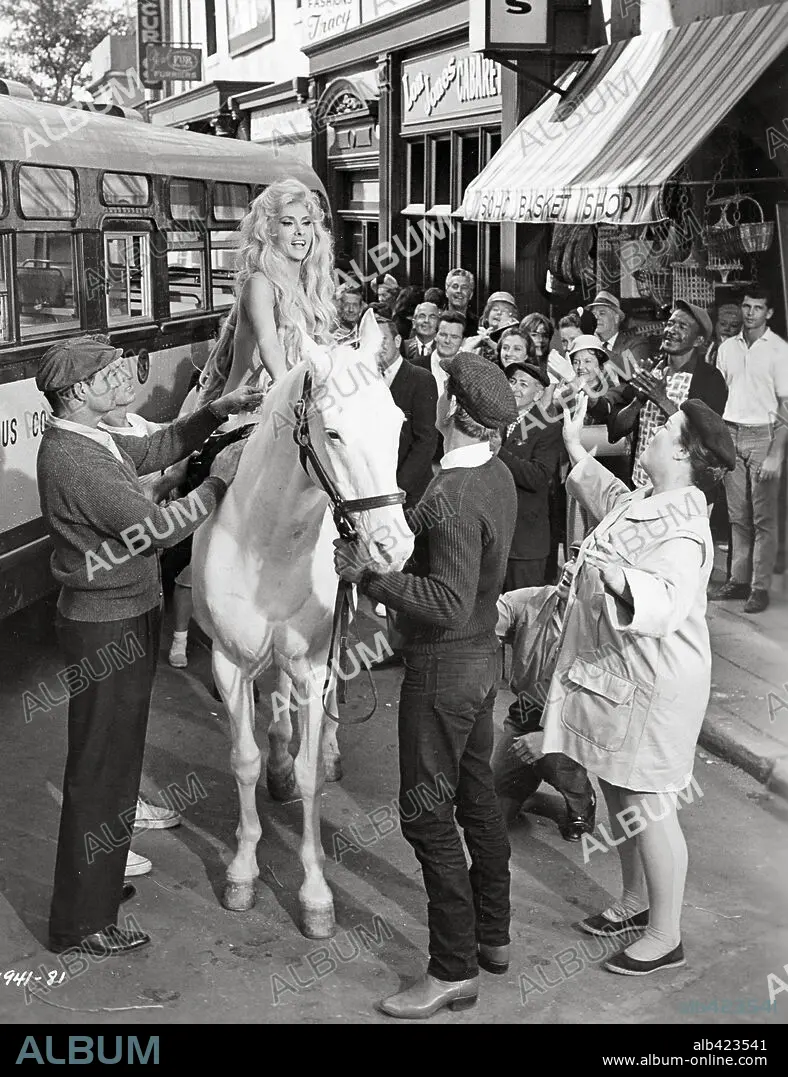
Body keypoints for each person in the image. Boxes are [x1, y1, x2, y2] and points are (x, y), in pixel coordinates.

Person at [36, 336, 263, 957]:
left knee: (116, 763)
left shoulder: (89, 438)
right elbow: (159, 530)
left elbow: (157, 446)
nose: (123, 378)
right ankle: (82, 922)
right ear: (79, 391)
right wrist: (218, 483)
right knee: (101, 772)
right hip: (107, 624)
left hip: (122, 614)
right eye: (110, 374)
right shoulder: (76, 460)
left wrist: (218, 410)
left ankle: (98, 885)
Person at [334, 352, 518, 1019]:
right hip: (477, 664)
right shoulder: (488, 473)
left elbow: (443, 598)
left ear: (451, 411)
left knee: (425, 816)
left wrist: (368, 576)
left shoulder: (457, 493)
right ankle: (492, 935)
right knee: (476, 803)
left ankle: (452, 969)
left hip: (444, 669)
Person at [537, 392, 735, 976]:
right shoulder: (654, 498)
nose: (650, 432)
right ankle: (634, 900)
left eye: (663, 428)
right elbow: (616, 501)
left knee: (649, 804)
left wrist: (613, 577)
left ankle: (666, 933)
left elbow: (668, 601)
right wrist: (575, 447)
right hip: (624, 674)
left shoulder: (688, 528)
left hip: (657, 683)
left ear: (682, 452)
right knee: (621, 793)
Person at [491, 578, 596, 842]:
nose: (571, 568)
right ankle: (526, 775)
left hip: (573, 718)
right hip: (529, 708)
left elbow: (599, 706)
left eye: (583, 564)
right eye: (572, 557)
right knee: (494, 812)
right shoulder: (532, 599)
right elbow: (488, 618)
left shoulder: (602, 625)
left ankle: (582, 800)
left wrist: (550, 738)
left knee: (556, 763)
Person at [368, 304, 439, 669]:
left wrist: (396, 489)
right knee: (386, 567)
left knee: (411, 567)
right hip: (373, 495)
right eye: (369, 341)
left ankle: (418, 646)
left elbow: (426, 441)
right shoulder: (363, 379)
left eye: (382, 340)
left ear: (398, 340)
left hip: (407, 492)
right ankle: (397, 645)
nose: (376, 348)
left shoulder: (420, 379)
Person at [710, 289, 788, 614]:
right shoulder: (727, 348)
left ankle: (759, 588)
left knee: (764, 518)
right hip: (730, 432)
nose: (751, 313)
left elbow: (785, 407)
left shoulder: (779, 350)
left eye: (758, 307)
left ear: (768, 313)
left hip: (762, 435)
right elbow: (718, 397)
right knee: (737, 517)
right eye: (746, 306)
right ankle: (738, 580)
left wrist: (776, 453)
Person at [221, 178, 335, 396]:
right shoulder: (259, 284)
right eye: (288, 223)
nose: (300, 231)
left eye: (306, 222)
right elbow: (269, 346)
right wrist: (289, 397)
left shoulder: (308, 285)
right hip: (247, 408)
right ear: (269, 230)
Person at [607, 301, 727, 489]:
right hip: (640, 484)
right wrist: (638, 401)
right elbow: (615, 431)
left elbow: (704, 439)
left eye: (682, 326)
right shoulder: (650, 372)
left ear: (698, 341)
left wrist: (661, 399)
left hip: (681, 487)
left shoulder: (710, 379)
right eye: (670, 323)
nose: (671, 330)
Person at [497, 363, 562, 591]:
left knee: (524, 616)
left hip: (524, 543)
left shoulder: (548, 427)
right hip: (493, 539)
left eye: (523, 384)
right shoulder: (494, 420)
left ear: (538, 393)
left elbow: (538, 477)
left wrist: (499, 451)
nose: (514, 388)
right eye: (512, 381)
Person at [562, 334, 631, 547]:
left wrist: (578, 386)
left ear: (602, 366)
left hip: (608, 479)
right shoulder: (565, 394)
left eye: (587, 361)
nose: (580, 366)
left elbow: (602, 407)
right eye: (576, 361)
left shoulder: (618, 391)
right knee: (576, 539)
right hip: (576, 477)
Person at [585, 291, 650, 374]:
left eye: (602, 313)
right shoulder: (588, 346)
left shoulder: (637, 344)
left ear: (616, 318)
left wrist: (600, 348)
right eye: (593, 314)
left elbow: (633, 375)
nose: (596, 318)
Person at [705, 301, 743, 366]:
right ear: (715, 325)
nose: (727, 329)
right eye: (723, 324)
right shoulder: (704, 350)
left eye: (734, 325)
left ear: (741, 329)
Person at [445, 268, 478, 336]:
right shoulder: (437, 321)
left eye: (464, 287)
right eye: (455, 286)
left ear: (471, 294)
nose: (459, 291)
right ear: (446, 292)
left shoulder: (478, 325)